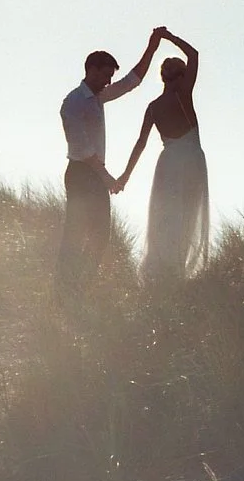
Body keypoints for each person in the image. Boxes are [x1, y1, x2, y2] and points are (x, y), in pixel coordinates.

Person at [57, 28, 165, 295]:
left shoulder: (98, 97)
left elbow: (132, 81)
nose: (108, 81)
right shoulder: (73, 103)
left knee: (101, 235)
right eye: (105, 75)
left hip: (95, 175)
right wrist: (108, 178)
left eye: (110, 77)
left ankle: (81, 286)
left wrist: (152, 47)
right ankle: (64, 289)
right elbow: (82, 149)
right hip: (81, 174)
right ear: (91, 70)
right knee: (75, 233)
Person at [113, 28, 209, 283]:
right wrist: (169, 38)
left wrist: (125, 175)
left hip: (167, 164)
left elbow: (140, 144)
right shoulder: (183, 94)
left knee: (165, 217)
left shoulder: (153, 108)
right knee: (185, 217)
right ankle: (174, 274)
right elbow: (194, 54)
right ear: (178, 77)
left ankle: (163, 272)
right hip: (189, 160)